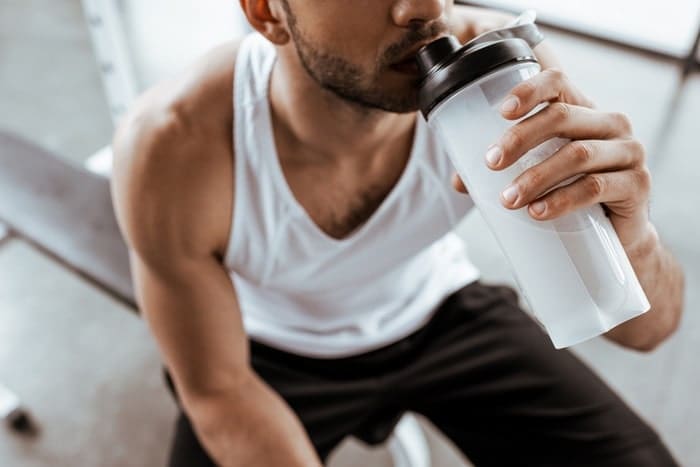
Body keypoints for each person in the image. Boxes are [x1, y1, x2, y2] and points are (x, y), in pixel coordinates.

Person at [111, 1, 685, 466]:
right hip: (268, 353)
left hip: (439, 311)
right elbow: (216, 390)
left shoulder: (500, 79)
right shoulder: (175, 146)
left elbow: (648, 330)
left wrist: (630, 236)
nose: (426, 9)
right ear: (267, 13)